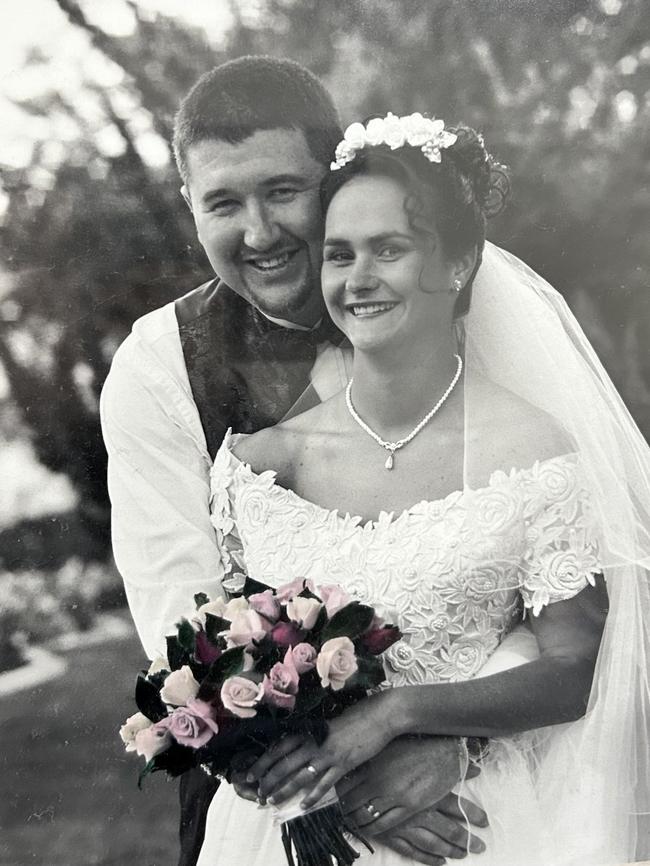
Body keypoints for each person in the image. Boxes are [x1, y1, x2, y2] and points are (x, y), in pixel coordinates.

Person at [101, 58, 534, 866]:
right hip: (273, 787)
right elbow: (178, 611)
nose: (259, 233)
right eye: (224, 202)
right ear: (189, 207)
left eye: (283, 192)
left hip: (488, 767)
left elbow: (554, 556)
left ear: (333, 176)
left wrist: (459, 735)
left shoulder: (449, 300)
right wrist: (334, 783)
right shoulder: (160, 364)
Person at [195, 112, 650, 865]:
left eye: (389, 249)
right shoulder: (262, 465)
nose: (358, 279)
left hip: (469, 824)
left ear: (460, 262)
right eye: (338, 255)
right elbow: (226, 665)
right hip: (287, 831)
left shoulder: (531, 452)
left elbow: (577, 666)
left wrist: (399, 715)